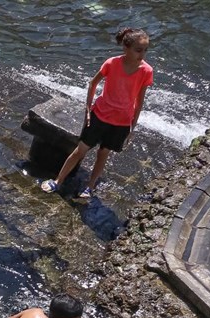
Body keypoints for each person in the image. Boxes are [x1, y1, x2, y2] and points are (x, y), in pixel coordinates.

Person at [40, 28, 153, 199]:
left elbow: (139, 101)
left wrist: (132, 127)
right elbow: (93, 83)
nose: (142, 54)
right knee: (81, 150)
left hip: (121, 121)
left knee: (103, 153)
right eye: (138, 50)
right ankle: (58, 181)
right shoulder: (112, 63)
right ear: (126, 48)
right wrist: (88, 109)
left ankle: (90, 186)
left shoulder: (146, 71)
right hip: (100, 114)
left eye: (145, 50)